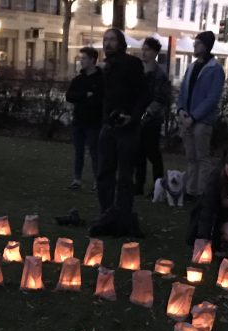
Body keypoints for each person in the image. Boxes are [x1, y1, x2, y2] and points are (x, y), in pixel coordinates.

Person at [89, 28, 146, 237]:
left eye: (112, 39)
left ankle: (122, 216)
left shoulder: (132, 64)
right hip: (108, 125)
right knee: (104, 172)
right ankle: (106, 213)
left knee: (124, 176)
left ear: (120, 43)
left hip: (127, 128)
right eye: (105, 40)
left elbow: (143, 94)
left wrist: (133, 116)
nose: (107, 43)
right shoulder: (105, 68)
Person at [176, 31, 224, 200]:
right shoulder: (191, 66)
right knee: (190, 157)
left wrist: (194, 117)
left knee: (202, 156)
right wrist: (181, 110)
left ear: (206, 46)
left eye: (198, 43)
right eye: (195, 43)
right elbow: (183, 90)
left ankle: (201, 191)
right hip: (187, 117)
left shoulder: (215, 69)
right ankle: (190, 190)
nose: (195, 46)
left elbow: (212, 97)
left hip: (202, 120)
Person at [134, 36, 170, 197]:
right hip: (139, 118)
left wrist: (148, 112)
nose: (144, 52)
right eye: (143, 49)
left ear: (155, 52)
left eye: (147, 49)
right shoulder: (140, 71)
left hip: (152, 120)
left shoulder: (159, 74)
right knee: (138, 153)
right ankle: (138, 184)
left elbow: (161, 98)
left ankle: (157, 186)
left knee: (153, 153)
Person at [64, 45, 102, 191]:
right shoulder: (79, 79)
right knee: (78, 151)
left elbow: (99, 99)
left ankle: (97, 180)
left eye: (84, 58)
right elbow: (69, 96)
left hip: (93, 122)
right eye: (81, 58)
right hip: (79, 120)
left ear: (92, 60)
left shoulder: (100, 80)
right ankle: (77, 179)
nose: (81, 61)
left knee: (94, 152)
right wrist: (84, 96)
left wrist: (85, 98)